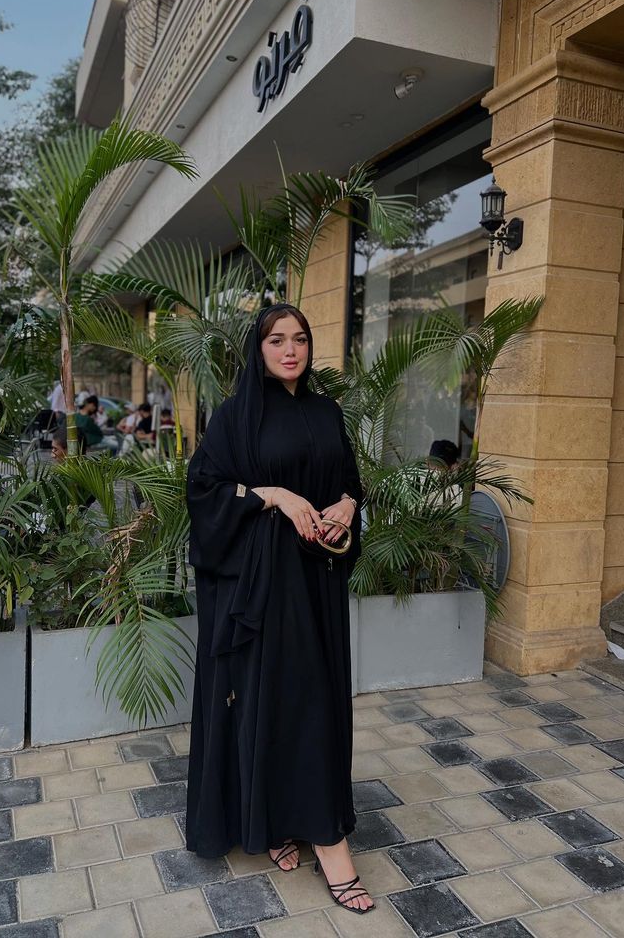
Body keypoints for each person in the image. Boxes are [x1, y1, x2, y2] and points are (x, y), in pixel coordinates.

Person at [185, 302, 374, 914]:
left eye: (299, 339)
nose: (290, 350)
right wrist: (271, 495)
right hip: (264, 584)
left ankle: (285, 820)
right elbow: (204, 490)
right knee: (285, 701)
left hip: (317, 582)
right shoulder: (237, 416)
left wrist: (347, 505)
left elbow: (348, 480)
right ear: (258, 348)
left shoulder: (327, 411)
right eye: (276, 340)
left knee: (311, 700)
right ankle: (328, 845)